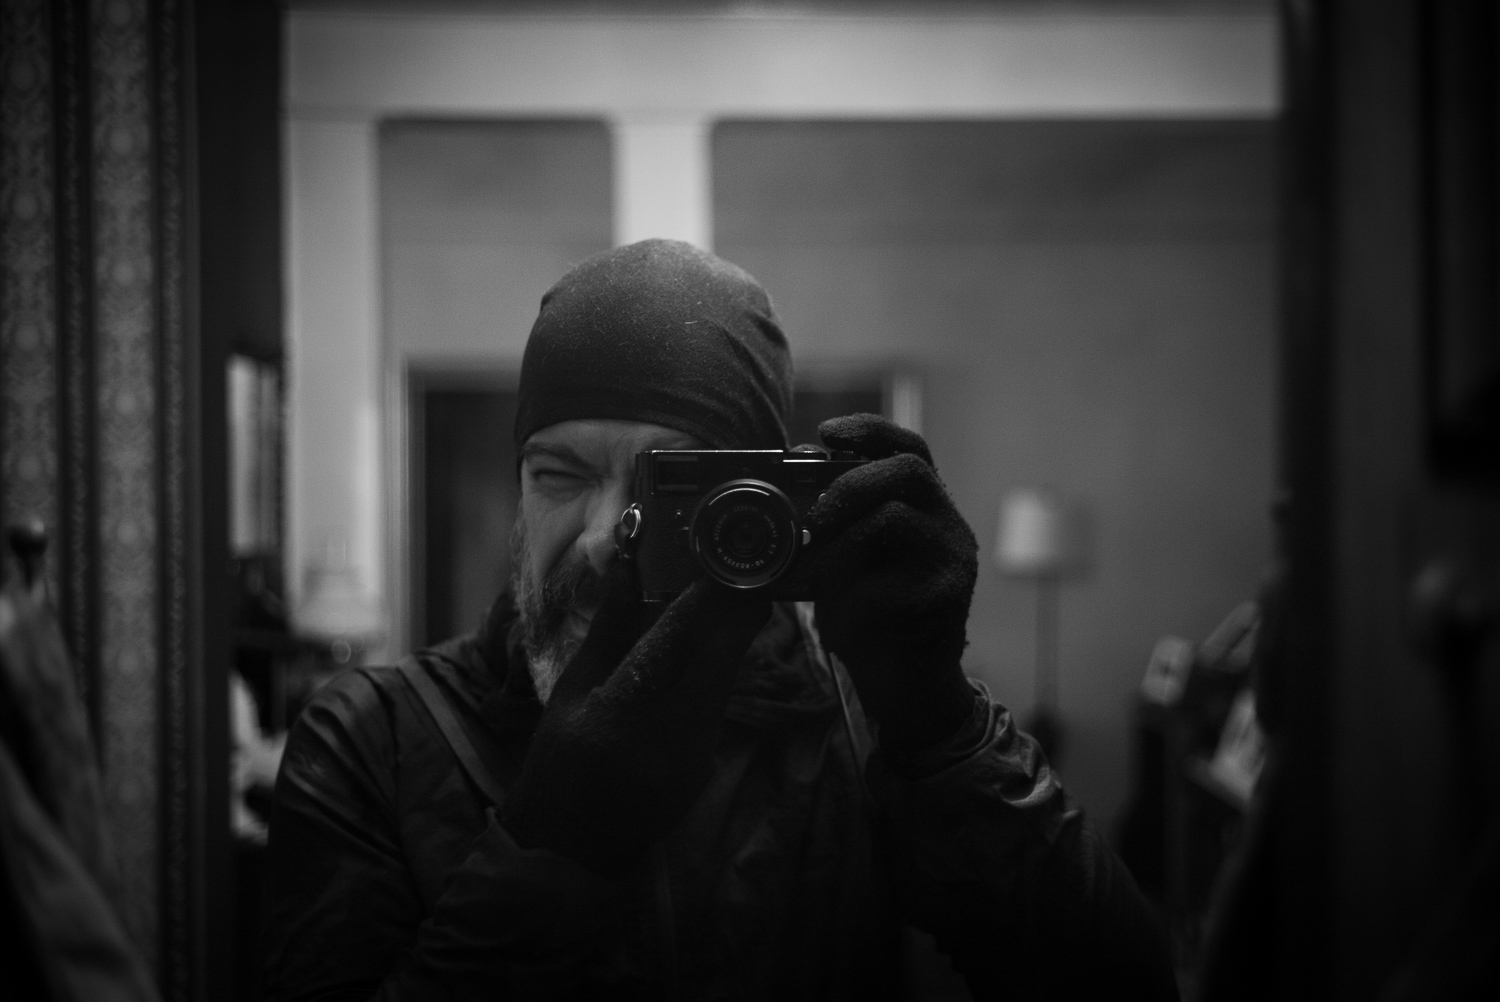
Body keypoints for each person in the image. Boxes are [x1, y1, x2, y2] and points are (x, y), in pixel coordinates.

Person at [263, 239, 1177, 1000]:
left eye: (669, 489)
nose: (602, 537)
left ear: (756, 506)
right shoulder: (375, 740)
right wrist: (554, 845)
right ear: (519, 487)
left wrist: (946, 732)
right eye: (560, 475)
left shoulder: (857, 726)